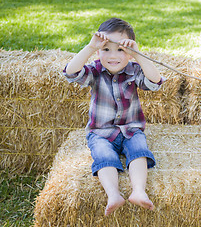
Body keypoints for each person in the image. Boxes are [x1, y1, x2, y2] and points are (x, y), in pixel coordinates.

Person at [63, 17, 164, 216]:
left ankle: (138, 191)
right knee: (104, 156)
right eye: (106, 49)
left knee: (139, 151)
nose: (113, 56)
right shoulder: (95, 71)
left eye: (120, 49)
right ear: (99, 51)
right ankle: (113, 194)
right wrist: (90, 47)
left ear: (129, 54)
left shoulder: (134, 71)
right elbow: (70, 72)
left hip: (131, 129)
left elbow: (156, 82)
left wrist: (138, 55)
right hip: (101, 133)